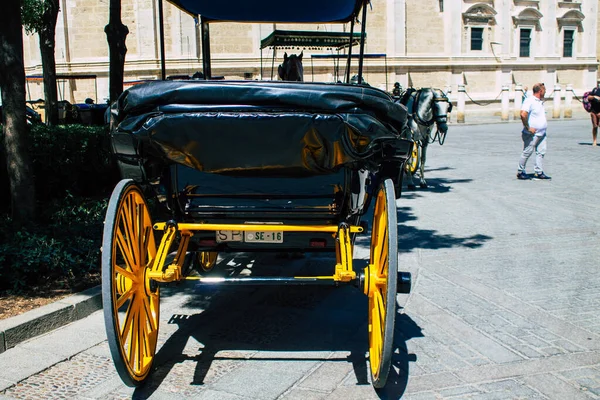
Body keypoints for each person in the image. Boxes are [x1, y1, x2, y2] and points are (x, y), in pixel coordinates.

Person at [517, 82, 551, 180]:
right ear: (540, 91)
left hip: (542, 133)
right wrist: (528, 127)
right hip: (532, 133)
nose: (545, 92)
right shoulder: (530, 100)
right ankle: (520, 171)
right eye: (544, 90)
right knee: (527, 152)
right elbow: (523, 114)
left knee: (541, 152)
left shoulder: (539, 101)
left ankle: (538, 171)